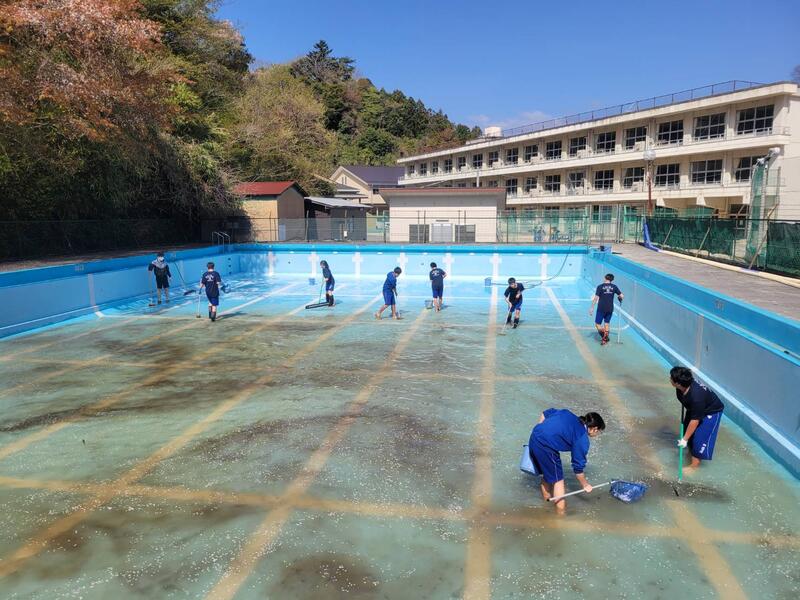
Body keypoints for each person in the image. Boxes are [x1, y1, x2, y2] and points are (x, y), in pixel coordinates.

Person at [528, 409, 606, 513]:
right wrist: (585, 485)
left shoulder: (566, 413)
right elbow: (578, 468)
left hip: (534, 435)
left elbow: (545, 413)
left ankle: (546, 504)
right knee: (558, 481)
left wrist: (541, 431)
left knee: (547, 475)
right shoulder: (582, 439)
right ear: (594, 429)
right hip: (546, 446)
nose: (597, 434)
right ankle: (560, 515)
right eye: (599, 432)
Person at [670, 366, 724, 470]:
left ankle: (694, 466)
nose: (670, 379)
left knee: (699, 439)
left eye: (671, 378)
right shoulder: (682, 386)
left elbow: (695, 420)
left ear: (678, 383)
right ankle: (690, 454)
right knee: (688, 433)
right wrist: (687, 437)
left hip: (711, 412)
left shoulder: (697, 397)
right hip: (696, 408)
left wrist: (684, 439)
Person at [589, 273, 624, 345]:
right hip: (610, 308)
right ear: (612, 280)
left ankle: (604, 337)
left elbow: (596, 298)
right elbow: (622, 296)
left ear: (605, 278)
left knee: (597, 324)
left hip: (601, 308)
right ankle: (606, 337)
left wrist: (592, 307)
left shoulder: (600, 286)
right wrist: (619, 298)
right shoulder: (614, 287)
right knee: (607, 323)